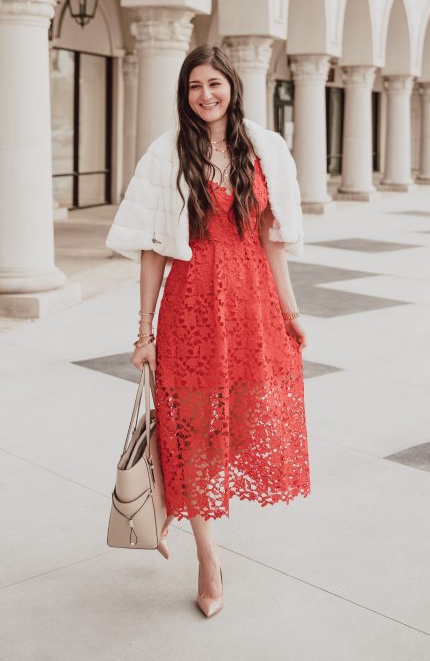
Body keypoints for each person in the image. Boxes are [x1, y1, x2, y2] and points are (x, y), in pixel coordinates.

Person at [106, 44, 310, 618]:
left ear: (232, 87)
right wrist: (142, 331)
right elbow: (152, 253)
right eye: (195, 86)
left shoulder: (264, 149)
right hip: (191, 308)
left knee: (243, 423)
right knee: (195, 433)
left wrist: (292, 315)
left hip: (252, 307)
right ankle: (208, 557)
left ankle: (174, 495)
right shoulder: (167, 154)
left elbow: (275, 244)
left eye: (214, 84)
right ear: (184, 93)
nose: (206, 95)